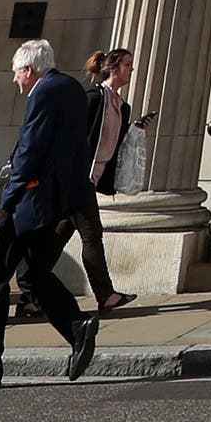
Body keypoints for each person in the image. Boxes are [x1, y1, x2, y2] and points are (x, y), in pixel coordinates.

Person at [0, 39, 101, 388]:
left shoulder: (43, 93)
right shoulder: (72, 88)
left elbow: (31, 151)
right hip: (56, 201)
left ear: (28, 71)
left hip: (29, 202)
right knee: (32, 273)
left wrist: (8, 201)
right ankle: (78, 328)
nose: (15, 81)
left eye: (16, 73)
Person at [75, 44, 137, 313]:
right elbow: (77, 136)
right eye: (126, 65)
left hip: (92, 179)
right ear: (112, 68)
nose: (131, 70)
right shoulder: (93, 98)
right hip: (78, 179)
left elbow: (114, 143)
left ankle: (30, 292)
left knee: (54, 238)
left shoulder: (122, 106)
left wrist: (135, 129)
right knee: (92, 236)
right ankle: (106, 295)